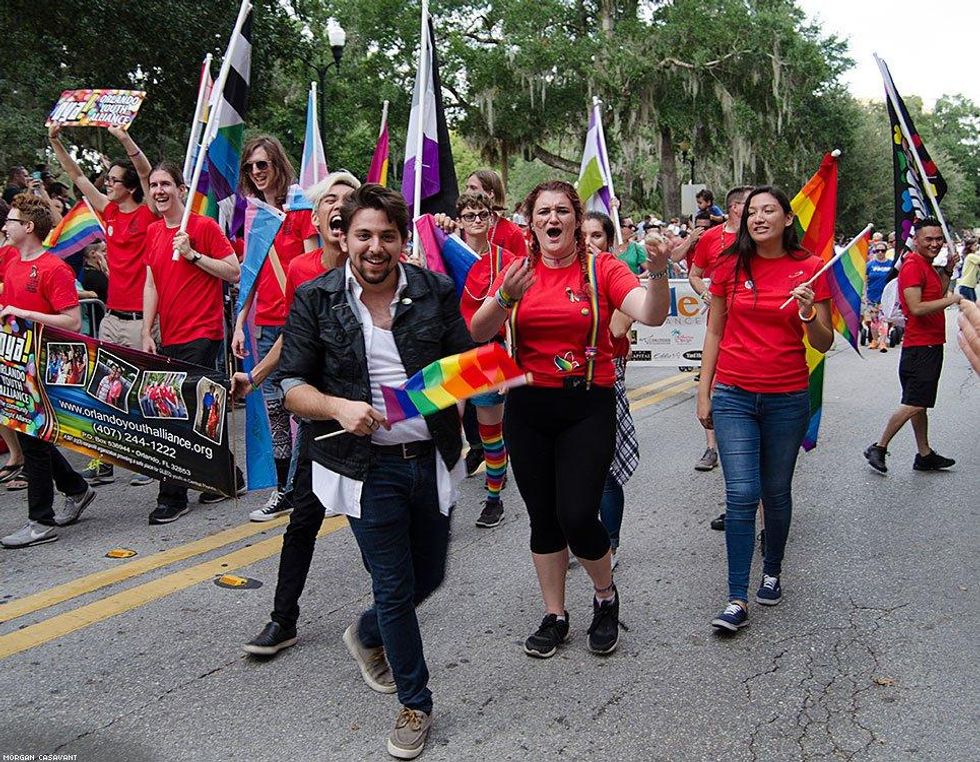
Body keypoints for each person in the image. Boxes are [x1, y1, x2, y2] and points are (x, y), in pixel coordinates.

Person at [258, 184, 473, 759]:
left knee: (429, 577)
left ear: (403, 241)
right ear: (343, 237)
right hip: (363, 467)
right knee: (396, 586)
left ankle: (368, 632)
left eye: (387, 236)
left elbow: (464, 365)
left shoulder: (435, 290)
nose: (375, 247)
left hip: (428, 459)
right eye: (363, 235)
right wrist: (338, 407)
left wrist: (492, 342)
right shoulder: (315, 299)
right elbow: (293, 388)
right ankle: (415, 704)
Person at [470, 179, 671, 659]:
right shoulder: (517, 270)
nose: (552, 219)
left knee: (578, 514)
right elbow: (478, 329)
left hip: (587, 402)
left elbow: (651, 314)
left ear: (577, 221)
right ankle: (555, 614)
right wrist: (503, 298)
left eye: (562, 211)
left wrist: (659, 272)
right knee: (543, 518)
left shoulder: (602, 267)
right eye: (543, 212)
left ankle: (605, 596)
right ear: (531, 221)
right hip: (529, 407)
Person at [696, 186, 834, 632]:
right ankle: (736, 596)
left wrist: (811, 313)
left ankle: (771, 569)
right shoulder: (728, 266)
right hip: (734, 394)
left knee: (775, 492)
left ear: (787, 219)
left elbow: (823, 343)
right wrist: (705, 391)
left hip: (787, 398)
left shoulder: (811, 270)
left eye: (768, 210)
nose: (758, 218)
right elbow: (714, 332)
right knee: (740, 494)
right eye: (752, 211)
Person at [232, 170, 361, 521]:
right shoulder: (301, 268)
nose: (340, 207)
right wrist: (255, 376)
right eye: (330, 201)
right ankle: (289, 496)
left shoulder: (375, 264)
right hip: (318, 395)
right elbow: (293, 333)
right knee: (304, 516)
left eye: (349, 200)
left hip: (367, 401)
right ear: (316, 219)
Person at [49, 123, 157, 487]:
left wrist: (123, 137)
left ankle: (147, 461)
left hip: (142, 319)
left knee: (142, 394)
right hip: (111, 317)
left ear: (129, 188)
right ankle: (105, 460)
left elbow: (144, 170)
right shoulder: (107, 213)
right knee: (103, 391)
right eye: (107, 179)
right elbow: (77, 176)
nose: (107, 184)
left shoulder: (146, 215)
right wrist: (56, 141)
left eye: (113, 179)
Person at [141, 162, 242, 524]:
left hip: (204, 331)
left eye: (165, 183)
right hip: (169, 335)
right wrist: (145, 331)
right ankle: (228, 476)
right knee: (199, 413)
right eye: (153, 185)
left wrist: (194, 255)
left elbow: (234, 271)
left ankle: (172, 495)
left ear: (181, 188)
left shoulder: (203, 226)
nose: (159, 190)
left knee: (175, 416)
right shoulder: (153, 232)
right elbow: (151, 283)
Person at [0, 194, 96, 548]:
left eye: (11, 221)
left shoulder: (54, 268)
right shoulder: (11, 264)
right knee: (33, 438)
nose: (5, 226)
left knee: (34, 442)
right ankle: (76, 487)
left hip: (43, 365)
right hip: (14, 364)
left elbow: (72, 320)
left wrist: (28, 316)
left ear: (28, 227)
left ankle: (40, 521)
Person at [231, 136, 319, 516]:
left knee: (306, 408)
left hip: (298, 325)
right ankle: (285, 489)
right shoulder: (254, 216)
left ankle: (315, 487)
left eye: (262, 165)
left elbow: (314, 268)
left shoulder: (300, 211)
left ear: (277, 165)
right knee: (276, 411)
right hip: (264, 325)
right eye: (250, 167)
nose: (256, 172)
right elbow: (249, 273)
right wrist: (238, 324)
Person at [865, 219, 960, 475]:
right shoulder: (912, 266)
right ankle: (879, 446)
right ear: (915, 240)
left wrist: (948, 271)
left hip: (926, 344)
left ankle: (925, 454)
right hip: (921, 346)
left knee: (919, 401)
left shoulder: (927, 265)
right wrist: (953, 299)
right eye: (928, 239)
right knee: (916, 403)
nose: (935, 243)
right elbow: (916, 307)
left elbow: (933, 296)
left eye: (938, 238)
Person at [457, 190, 517, 528]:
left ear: (492, 219)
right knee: (444, 432)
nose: (477, 221)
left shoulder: (505, 260)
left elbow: (514, 314)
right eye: (470, 216)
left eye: (483, 215)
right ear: (461, 220)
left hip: (488, 352)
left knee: (490, 432)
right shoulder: (444, 252)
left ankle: (493, 500)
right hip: (451, 351)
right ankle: (439, 505)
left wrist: (512, 362)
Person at [583, 211, 638, 568]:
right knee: (572, 470)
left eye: (597, 236)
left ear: (609, 241)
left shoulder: (615, 277)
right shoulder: (558, 275)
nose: (588, 241)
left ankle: (611, 544)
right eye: (582, 234)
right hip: (564, 383)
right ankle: (582, 535)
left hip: (605, 377)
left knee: (604, 470)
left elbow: (616, 330)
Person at [688, 186, 753, 486]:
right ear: (734, 207)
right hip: (721, 320)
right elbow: (695, 273)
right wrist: (707, 297)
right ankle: (711, 447)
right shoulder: (712, 238)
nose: (755, 210)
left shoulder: (762, 239)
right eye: (748, 204)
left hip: (752, 323)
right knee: (715, 380)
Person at [865, 241, 895, 350]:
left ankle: (882, 342)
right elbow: (865, 281)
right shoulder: (870, 265)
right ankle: (874, 340)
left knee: (884, 320)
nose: (880, 253)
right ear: (874, 252)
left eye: (883, 250)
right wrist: (864, 296)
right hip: (872, 296)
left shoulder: (891, 264)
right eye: (878, 250)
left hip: (886, 297)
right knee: (874, 321)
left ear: (886, 251)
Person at [956, 238, 979, 302]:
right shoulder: (971, 256)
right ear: (970, 247)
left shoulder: (972, 256)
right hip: (966, 285)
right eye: (975, 245)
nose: (977, 246)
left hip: (968, 285)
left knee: (973, 306)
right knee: (972, 307)